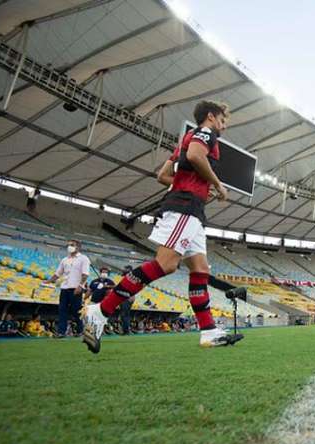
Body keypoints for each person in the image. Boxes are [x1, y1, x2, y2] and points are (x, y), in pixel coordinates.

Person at [82, 100, 241, 353]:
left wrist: (198, 185)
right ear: (211, 117)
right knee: (166, 264)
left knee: (200, 269)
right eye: (223, 119)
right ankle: (100, 311)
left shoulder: (186, 139)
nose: (225, 125)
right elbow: (196, 156)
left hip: (193, 209)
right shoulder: (205, 133)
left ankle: (208, 331)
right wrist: (217, 185)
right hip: (184, 207)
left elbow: (163, 175)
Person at [48, 240, 89, 337]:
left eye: (72, 245)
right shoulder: (64, 260)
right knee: (62, 310)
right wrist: (49, 281)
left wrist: (80, 286)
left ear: (78, 247)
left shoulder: (83, 259)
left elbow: (85, 274)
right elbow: (58, 273)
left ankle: (80, 330)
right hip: (64, 288)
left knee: (76, 310)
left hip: (76, 288)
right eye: (69, 245)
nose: (69, 246)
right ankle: (61, 332)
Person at [118, 265, 135, 334]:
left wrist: (132, 296)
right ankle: (126, 330)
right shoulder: (126, 277)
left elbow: (133, 288)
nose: (123, 270)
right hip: (124, 297)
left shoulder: (130, 278)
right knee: (125, 315)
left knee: (124, 315)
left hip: (127, 298)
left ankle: (126, 331)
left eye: (125, 269)